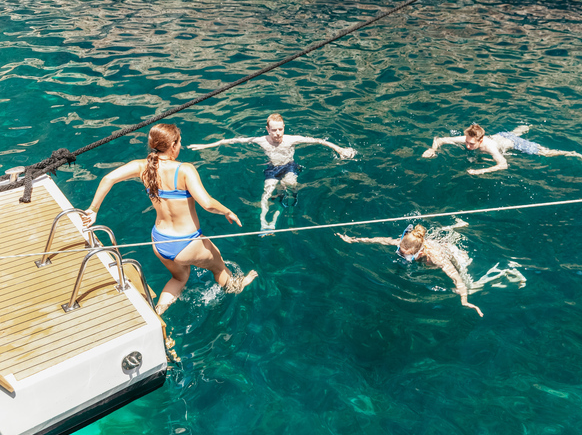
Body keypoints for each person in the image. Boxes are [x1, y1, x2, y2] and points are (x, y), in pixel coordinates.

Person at [82, 123, 258, 315]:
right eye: (179, 142)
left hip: (159, 241)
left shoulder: (142, 166)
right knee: (219, 266)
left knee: (179, 278)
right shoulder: (185, 169)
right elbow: (207, 203)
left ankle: (158, 313)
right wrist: (227, 211)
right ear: (173, 145)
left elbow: (108, 179)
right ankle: (237, 286)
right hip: (188, 242)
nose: (180, 146)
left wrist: (93, 209)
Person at [188, 113, 356, 231]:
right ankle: (264, 222)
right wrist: (205, 146)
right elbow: (231, 140)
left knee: (289, 184)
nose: (277, 133)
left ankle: (285, 206)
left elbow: (318, 141)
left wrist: (339, 149)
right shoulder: (262, 141)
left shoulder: (291, 140)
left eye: (280, 129)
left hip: (289, 165)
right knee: (266, 192)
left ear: (284, 128)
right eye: (274, 130)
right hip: (272, 169)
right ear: (267, 129)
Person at [337, 221, 525, 317]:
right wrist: (353, 240)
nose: (401, 256)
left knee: (472, 285)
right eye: (400, 252)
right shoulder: (405, 243)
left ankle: (507, 272)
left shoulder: (435, 257)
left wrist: (465, 300)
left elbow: (457, 279)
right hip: (435, 245)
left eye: (405, 255)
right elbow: (380, 240)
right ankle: (458, 226)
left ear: (418, 251)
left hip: (455, 255)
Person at [421, 123, 582, 174]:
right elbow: (441, 139)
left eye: (471, 144)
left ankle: (580, 155)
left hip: (514, 144)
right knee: (509, 135)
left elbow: (503, 165)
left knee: (546, 153)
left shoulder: (488, 146)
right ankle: (524, 127)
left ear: (480, 140)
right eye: (467, 142)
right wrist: (433, 149)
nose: (467, 145)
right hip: (501, 136)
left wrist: (481, 171)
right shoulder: (468, 138)